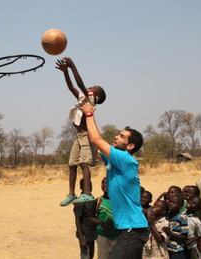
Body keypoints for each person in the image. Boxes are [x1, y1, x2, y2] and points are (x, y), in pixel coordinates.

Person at [80, 101, 148, 259]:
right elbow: (96, 142)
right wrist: (87, 114)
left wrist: (89, 114)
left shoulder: (125, 159)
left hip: (133, 230)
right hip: (131, 230)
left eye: (122, 136)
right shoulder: (115, 160)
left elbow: (97, 140)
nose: (116, 136)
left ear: (130, 146)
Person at [56, 57, 107, 206]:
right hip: (78, 136)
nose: (90, 88)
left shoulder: (91, 101)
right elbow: (72, 87)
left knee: (84, 164)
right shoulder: (83, 99)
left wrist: (72, 67)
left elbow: (79, 83)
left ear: (96, 96)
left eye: (93, 88)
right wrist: (65, 72)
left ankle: (87, 194)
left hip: (86, 136)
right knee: (72, 165)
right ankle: (71, 194)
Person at [90, 177, 118, 259]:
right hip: (102, 235)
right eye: (103, 183)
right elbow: (90, 217)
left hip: (117, 235)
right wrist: (101, 223)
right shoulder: (99, 201)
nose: (105, 185)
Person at [73, 178, 98, 259]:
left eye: (90, 184)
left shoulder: (91, 198)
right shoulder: (80, 201)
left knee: (91, 256)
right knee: (85, 256)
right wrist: (81, 238)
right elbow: (77, 219)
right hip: (84, 234)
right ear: (81, 187)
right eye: (86, 185)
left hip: (91, 234)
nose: (88, 186)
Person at [163, 194, 189, 259]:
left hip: (177, 250)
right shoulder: (167, 215)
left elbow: (184, 236)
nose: (170, 204)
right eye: (170, 201)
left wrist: (170, 233)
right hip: (166, 248)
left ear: (180, 206)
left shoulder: (182, 217)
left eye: (173, 202)